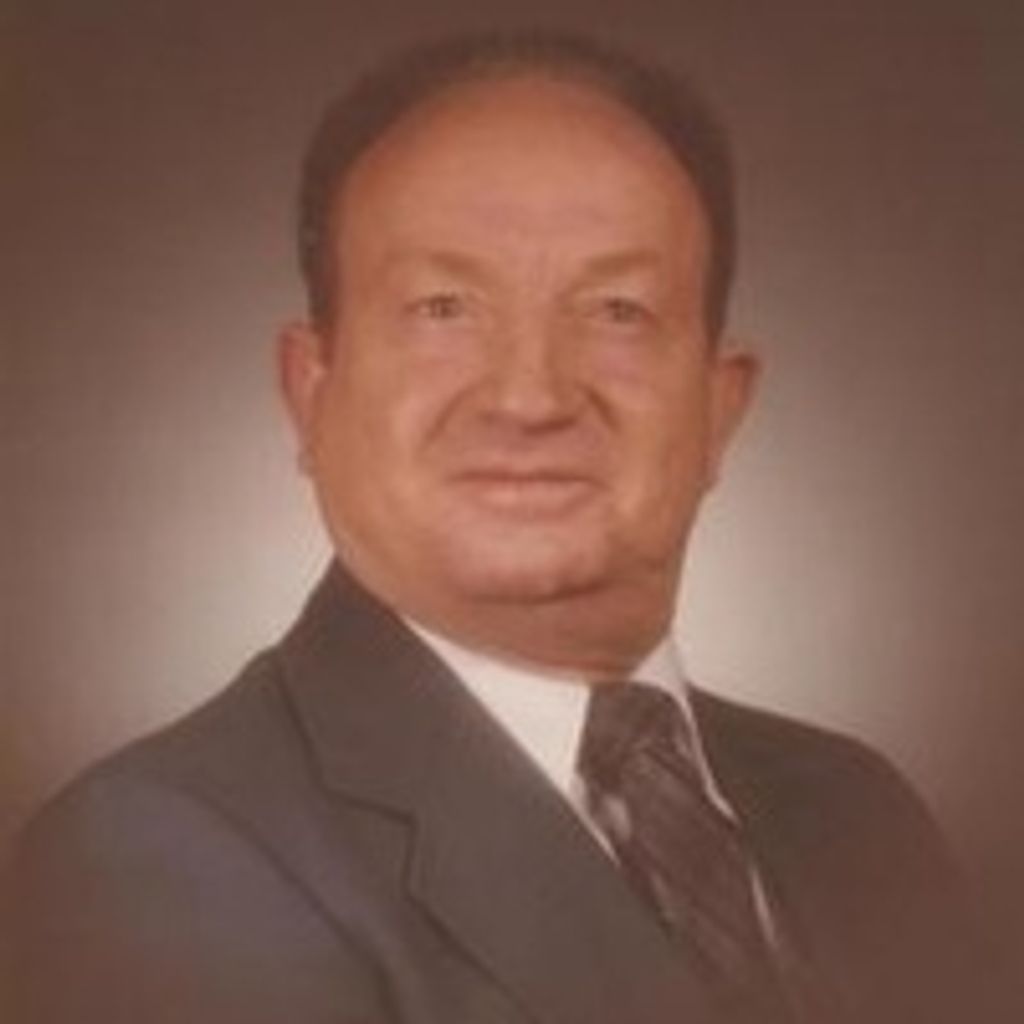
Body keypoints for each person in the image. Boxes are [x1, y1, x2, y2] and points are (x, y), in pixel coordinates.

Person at [0, 31, 999, 1024]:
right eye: (443, 307)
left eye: (617, 309)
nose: (530, 396)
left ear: (719, 409)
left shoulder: (859, 815)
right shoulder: (153, 860)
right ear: (311, 394)